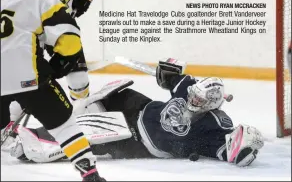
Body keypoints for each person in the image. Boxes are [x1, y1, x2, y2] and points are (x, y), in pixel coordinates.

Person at [7, 59, 264, 167]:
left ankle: (27, 144)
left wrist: (248, 142)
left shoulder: (215, 124)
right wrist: (167, 70)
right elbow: (170, 77)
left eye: (198, 99)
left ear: (212, 104)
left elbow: (235, 151)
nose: (192, 99)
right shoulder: (189, 89)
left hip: (136, 140)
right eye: (193, 94)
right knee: (88, 103)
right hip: (139, 106)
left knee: (84, 133)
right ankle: (30, 111)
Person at [0, 0, 105, 181]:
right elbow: (70, 38)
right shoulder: (43, 1)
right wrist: (59, 63)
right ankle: (90, 173)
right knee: (65, 127)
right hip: (30, 77)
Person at [1, 0, 95, 131]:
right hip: (27, 26)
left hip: (58, 25)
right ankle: (12, 135)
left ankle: (85, 127)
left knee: (79, 80)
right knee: (22, 83)